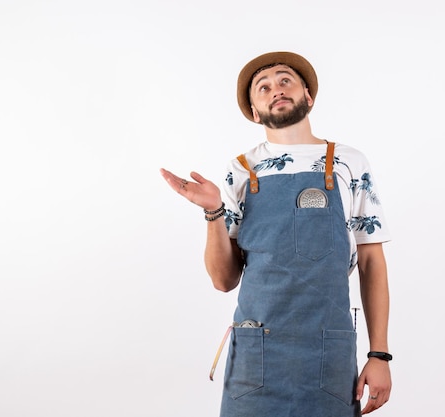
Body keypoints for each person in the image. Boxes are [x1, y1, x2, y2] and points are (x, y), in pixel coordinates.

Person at [160, 51, 392, 416]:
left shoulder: (350, 163)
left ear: (308, 95)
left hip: (327, 352)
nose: (276, 89)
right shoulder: (240, 170)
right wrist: (212, 211)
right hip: (257, 354)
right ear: (254, 111)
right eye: (263, 87)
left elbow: (372, 261)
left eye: (286, 80)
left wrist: (379, 354)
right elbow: (223, 280)